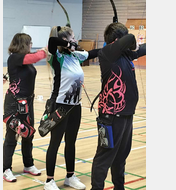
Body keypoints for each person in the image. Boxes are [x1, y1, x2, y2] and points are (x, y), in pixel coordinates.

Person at [43, 26, 100, 190]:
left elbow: (94, 53)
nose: (76, 40)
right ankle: (49, 180)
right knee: (55, 143)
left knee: (71, 142)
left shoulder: (75, 56)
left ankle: (70, 176)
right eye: (73, 37)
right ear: (66, 40)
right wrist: (68, 45)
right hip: (60, 105)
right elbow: (53, 41)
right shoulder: (57, 57)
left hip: (76, 106)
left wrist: (114, 46)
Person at [90, 22, 146, 190]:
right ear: (116, 40)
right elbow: (129, 38)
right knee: (104, 157)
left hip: (127, 114)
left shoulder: (125, 55)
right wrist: (127, 38)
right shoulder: (106, 53)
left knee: (121, 156)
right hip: (111, 116)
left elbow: (142, 49)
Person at [3, 33, 47, 182]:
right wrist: (45, 50)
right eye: (29, 43)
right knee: (12, 136)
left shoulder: (23, 60)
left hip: (27, 103)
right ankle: (5, 168)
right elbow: (35, 57)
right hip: (14, 103)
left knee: (28, 134)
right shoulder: (15, 57)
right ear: (23, 44)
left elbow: (17, 73)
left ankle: (28, 164)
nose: (31, 45)